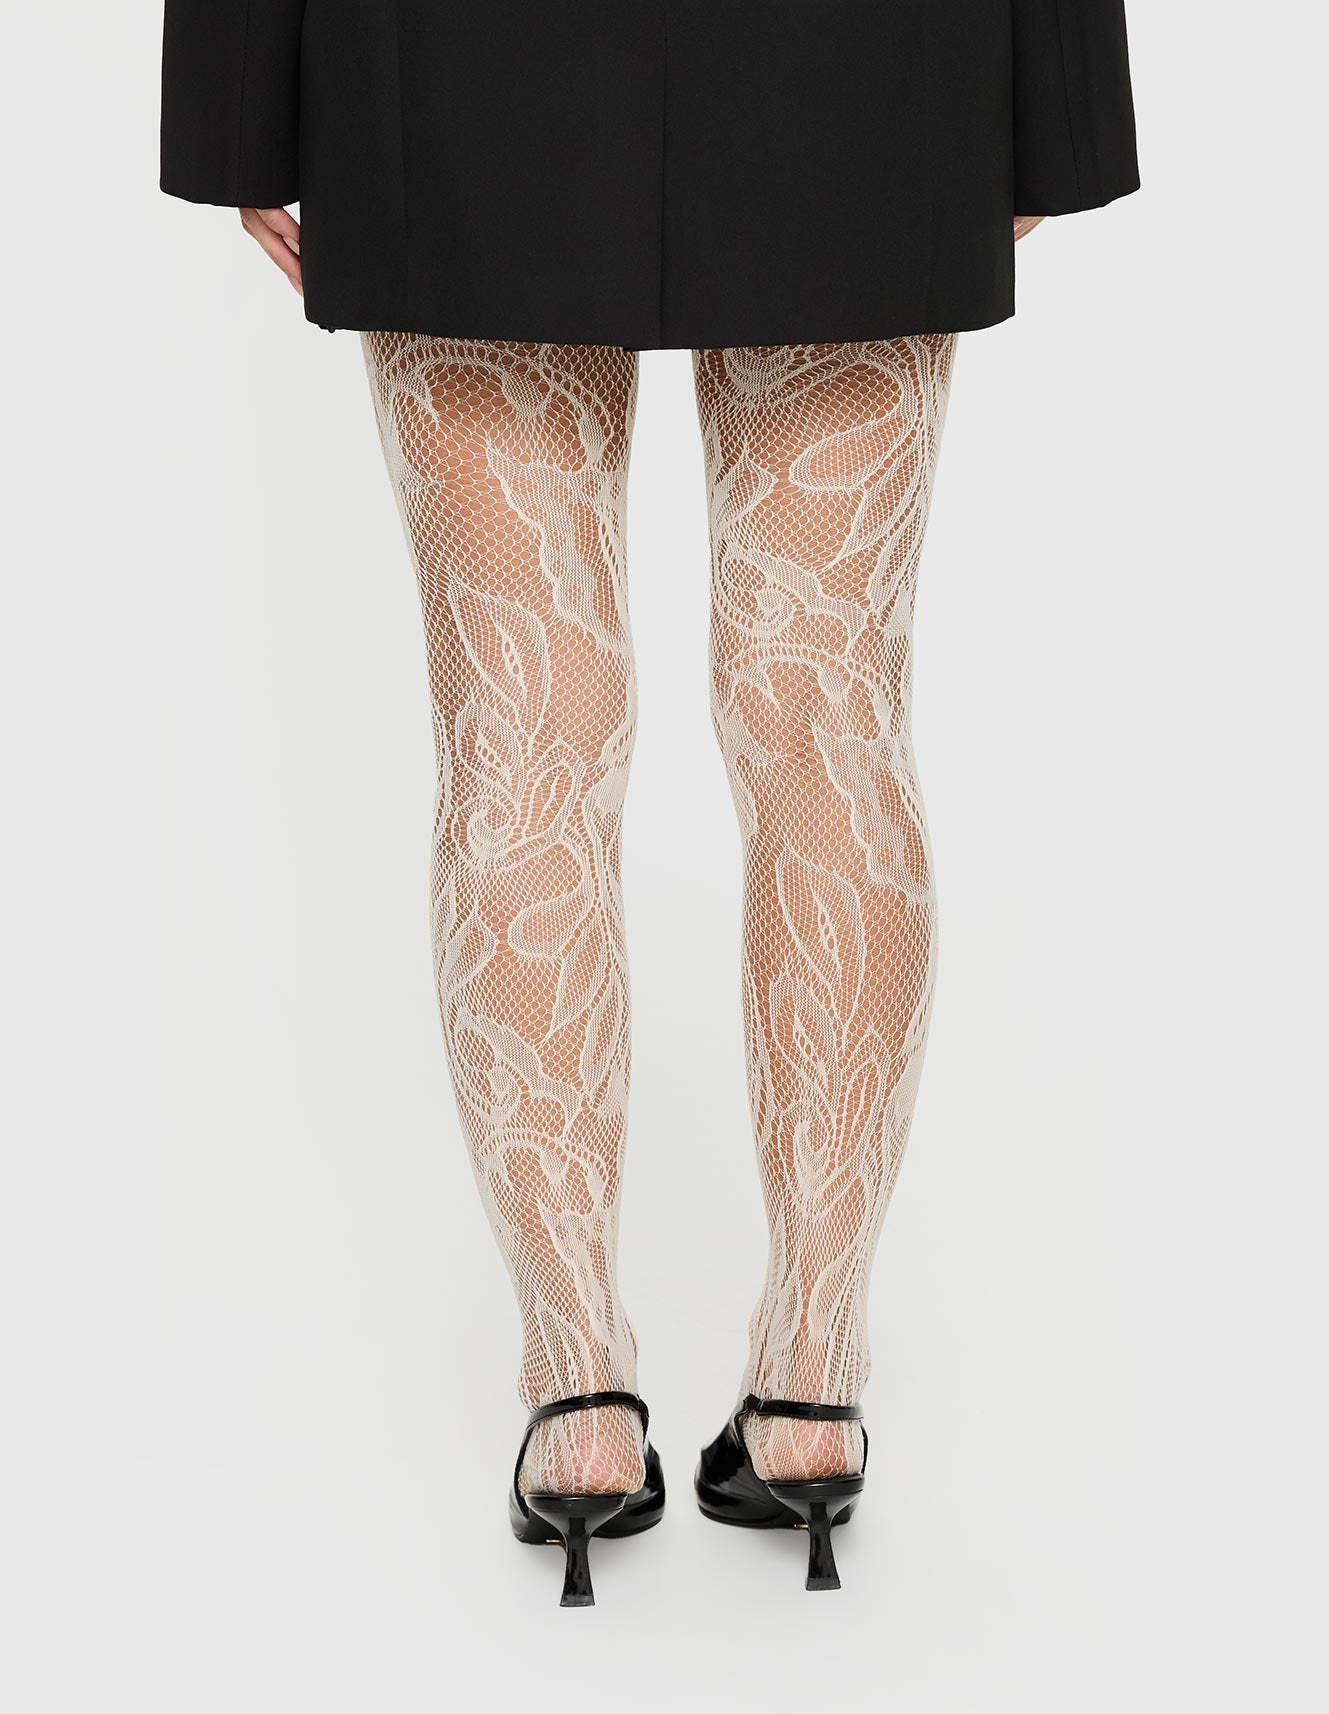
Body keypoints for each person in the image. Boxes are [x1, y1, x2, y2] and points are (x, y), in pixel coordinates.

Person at [160, 0, 1138, 1607]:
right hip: (862, 57)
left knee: (519, 733)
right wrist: (1050, 101)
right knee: (825, 709)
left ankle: (578, 1398)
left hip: (467, 63)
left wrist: (238, 95)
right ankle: (812, 1379)